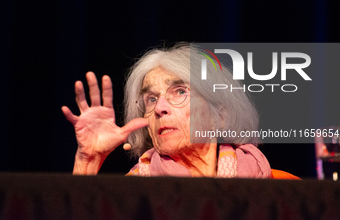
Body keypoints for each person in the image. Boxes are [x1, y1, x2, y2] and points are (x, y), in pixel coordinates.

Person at [62, 42, 272, 177]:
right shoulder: (130, 195)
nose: (160, 108)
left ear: (220, 116)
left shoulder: (275, 187)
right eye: (151, 99)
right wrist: (87, 163)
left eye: (180, 92)